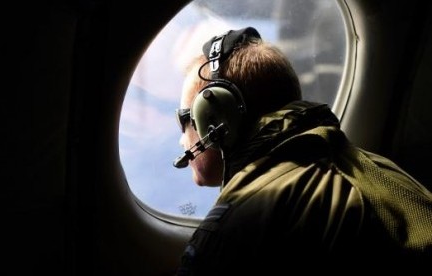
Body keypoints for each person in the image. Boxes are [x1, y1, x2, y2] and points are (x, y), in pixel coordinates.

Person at [172, 27, 432, 274]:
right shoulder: (378, 167)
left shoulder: (247, 213)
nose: (182, 140)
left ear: (216, 117)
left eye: (185, 118)